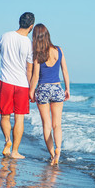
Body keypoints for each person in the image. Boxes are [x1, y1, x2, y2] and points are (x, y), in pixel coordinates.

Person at [29, 23, 70, 165]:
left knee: (46, 124)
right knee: (57, 125)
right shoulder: (58, 50)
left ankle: (52, 154)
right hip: (57, 88)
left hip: (43, 89)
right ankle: (58, 149)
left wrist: (31, 92)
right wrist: (67, 89)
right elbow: (65, 71)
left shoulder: (38, 54)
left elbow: (35, 76)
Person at [0, 12, 35, 159]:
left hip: (6, 81)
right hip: (22, 84)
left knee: (5, 116)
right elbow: (29, 69)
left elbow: (0, 51)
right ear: (31, 26)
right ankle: (15, 152)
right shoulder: (28, 44)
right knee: (19, 118)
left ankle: (7, 141)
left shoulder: (5, 36)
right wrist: (31, 89)